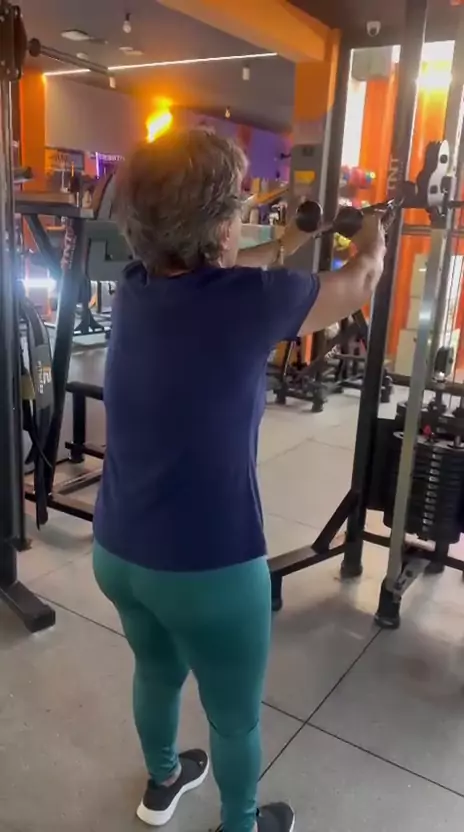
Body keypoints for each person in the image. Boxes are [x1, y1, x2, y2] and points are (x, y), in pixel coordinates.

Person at [92, 130, 386, 832]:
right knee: (233, 718)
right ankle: (242, 824)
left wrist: (285, 239)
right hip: (209, 568)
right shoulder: (249, 303)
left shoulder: (135, 287)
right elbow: (361, 283)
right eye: (237, 209)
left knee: (155, 671)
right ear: (220, 224)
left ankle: (163, 781)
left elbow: (224, 270)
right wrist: (373, 233)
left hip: (119, 550)